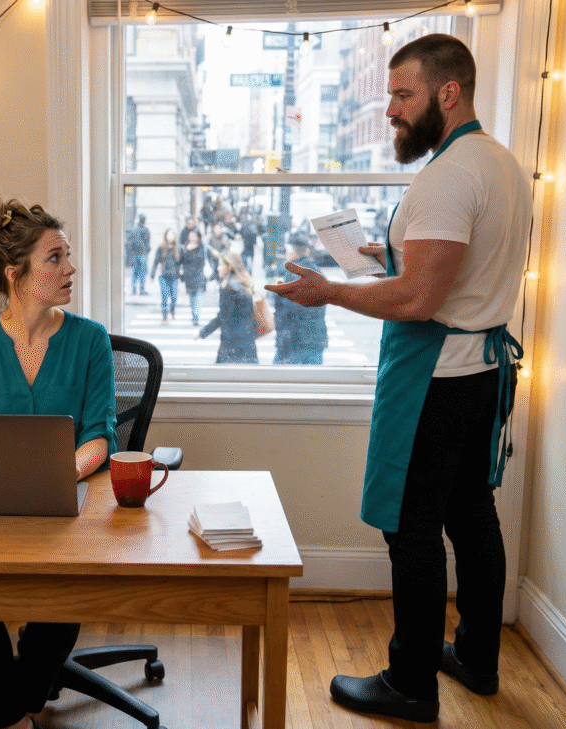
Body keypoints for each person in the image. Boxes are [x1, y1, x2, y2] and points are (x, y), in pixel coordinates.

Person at [265, 35, 531, 723]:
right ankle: (475, 654)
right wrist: (369, 253)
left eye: (403, 94)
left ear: (449, 92)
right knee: (472, 512)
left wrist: (329, 291)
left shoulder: (446, 177)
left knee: (410, 531)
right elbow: (448, 264)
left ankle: (410, 682)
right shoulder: (500, 164)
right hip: (483, 375)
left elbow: (418, 299)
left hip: (434, 379)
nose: (390, 110)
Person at [0, 193, 119, 729]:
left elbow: (101, 435)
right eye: (55, 258)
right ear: (13, 272)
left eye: (67, 256)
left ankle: (14, 702)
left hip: (66, 502)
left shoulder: (90, 340)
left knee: (64, 592)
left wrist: (60, 472)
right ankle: (16, 714)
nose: (70, 268)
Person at [271, 235, 328, 364]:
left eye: (286, 251)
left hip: (294, 341)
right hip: (316, 338)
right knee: (312, 380)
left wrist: (282, 343)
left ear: (293, 253)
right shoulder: (317, 272)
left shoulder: (290, 274)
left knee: (279, 379)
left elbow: (285, 313)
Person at [194, 250, 258, 364]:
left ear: (229, 267)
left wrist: (202, 333)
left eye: (220, 265)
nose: (217, 268)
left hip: (232, 345)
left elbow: (222, 317)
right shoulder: (242, 282)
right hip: (247, 342)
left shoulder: (229, 288)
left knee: (224, 377)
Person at [149, 228, 181, 324]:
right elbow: (156, 261)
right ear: (166, 236)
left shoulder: (178, 248)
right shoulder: (161, 247)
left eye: (172, 234)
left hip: (174, 276)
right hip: (164, 276)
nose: (170, 236)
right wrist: (152, 275)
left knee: (174, 297)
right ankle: (164, 316)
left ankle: (172, 309)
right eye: (168, 234)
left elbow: (181, 262)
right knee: (164, 296)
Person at [179, 229, 206, 326]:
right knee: (191, 297)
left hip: (198, 274)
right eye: (190, 235)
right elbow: (181, 261)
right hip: (188, 276)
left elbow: (202, 260)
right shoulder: (184, 247)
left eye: (194, 235)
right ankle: (193, 313)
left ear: (198, 237)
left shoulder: (201, 247)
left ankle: (196, 316)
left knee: (198, 296)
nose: (192, 237)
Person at [127, 214, 151, 295]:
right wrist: (147, 250)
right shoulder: (146, 230)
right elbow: (147, 242)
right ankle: (142, 290)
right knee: (142, 273)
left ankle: (133, 289)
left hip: (135, 254)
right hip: (143, 254)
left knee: (135, 273)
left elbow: (129, 242)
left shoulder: (134, 230)